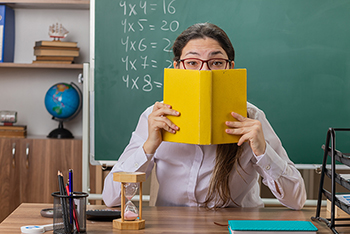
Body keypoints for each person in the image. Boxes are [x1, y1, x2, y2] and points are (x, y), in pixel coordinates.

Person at [102, 22, 306, 210]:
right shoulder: (155, 117)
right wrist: (148, 147)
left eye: (216, 62)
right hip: (171, 228)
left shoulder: (251, 117)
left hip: (235, 227)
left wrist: (263, 152)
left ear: (230, 67)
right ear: (177, 67)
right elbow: (110, 198)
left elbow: (297, 200)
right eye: (192, 62)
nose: (204, 71)